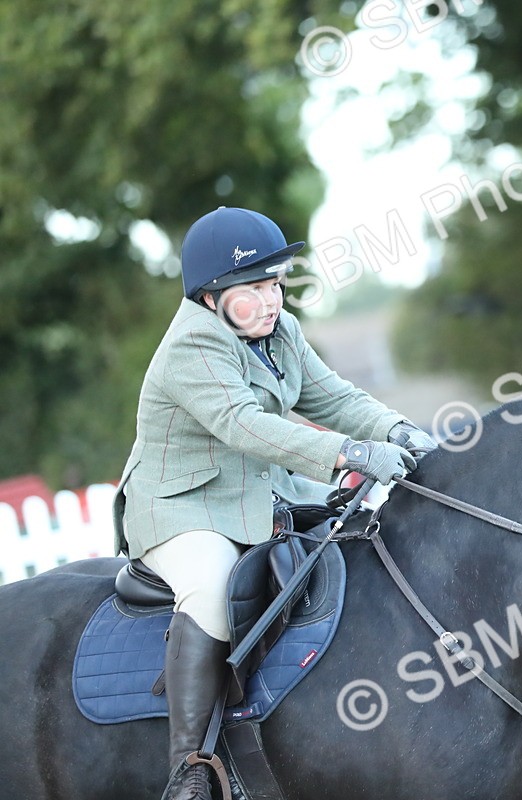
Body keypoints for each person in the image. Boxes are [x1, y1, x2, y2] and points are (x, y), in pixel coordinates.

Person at [111, 206, 435, 800]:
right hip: (184, 506)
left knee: (358, 540)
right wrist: (352, 456)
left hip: (261, 491)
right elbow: (245, 426)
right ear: (211, 297)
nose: (271, 299)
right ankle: (190, 768)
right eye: (254, 289)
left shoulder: (280, 332)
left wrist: (398, 431)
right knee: (209, 589)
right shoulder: (192, 348)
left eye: (276, 284)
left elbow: (332, 397)